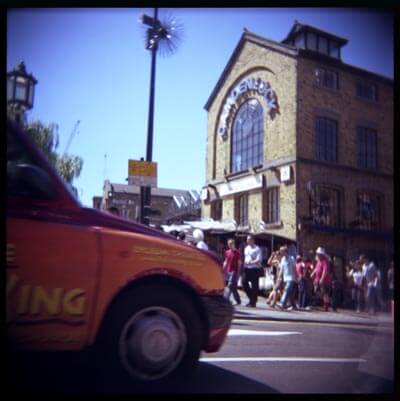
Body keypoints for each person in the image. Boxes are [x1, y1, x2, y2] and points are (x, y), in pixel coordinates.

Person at [242, 235, 262, 307]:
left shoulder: (257, 249)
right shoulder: (246, 248)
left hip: (254, 269)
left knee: (254, 286)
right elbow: (245, 257)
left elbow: (259, 259)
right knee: (244, 283)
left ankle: (253, 302)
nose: (248, 241)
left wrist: (251, 262)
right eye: (247, 239)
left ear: (253, 240)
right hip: (247, 268)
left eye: (249, 239)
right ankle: (251, 298)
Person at [311, 247, 332, 311]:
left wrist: (322, 279)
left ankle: (326, 305)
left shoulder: (325, 261)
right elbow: (316, 268)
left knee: (324, 292)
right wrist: (313, 273)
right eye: (317, 254)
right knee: (316, 291)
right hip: (317, 279)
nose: (317, 255)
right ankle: (327, 300)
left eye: (319, 254)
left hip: (324, 280)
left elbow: (325, 271)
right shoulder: (318, 261)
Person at [276, 246, 296, 311]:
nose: (280, 252)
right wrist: (279, 277)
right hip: (285, 278)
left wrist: (296, 277)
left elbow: (294, 268)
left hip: (291, 278)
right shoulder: (283, 259)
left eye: (281, 251)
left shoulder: (291, 258)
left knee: (286, 290)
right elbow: (281, 269)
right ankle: (293, 305)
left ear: (285, 252)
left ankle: (282, 303)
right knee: (290, 293)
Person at [223, 238, 242, 306]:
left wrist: (239, 273)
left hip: (234, 271)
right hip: (228, 271)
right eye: (229, 244)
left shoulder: (237, 252)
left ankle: (226, 299)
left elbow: (239, 263)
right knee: (233, 287)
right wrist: (223, 269)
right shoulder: (227, 252)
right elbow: (226, 261)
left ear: (234, 244)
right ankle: (238, 300)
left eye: (231, 244)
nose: (230, 245)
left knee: (230, 285)